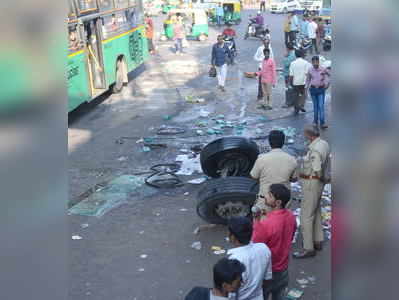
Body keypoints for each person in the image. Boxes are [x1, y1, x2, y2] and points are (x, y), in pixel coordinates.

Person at [252, 184, 297, 300]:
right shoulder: (291, 217)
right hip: (283, 267)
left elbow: (257, 246)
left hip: (268, 269)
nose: (265, 196)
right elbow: (290, 236)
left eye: (269, 195)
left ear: (277, 202)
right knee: (280, 295)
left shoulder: (266, 224)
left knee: (263, 295)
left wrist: (256, 221)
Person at [293, 125, 330, 259]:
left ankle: (308, 248)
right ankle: (318, 240)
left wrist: (319, 177)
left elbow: (317, 169)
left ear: (310, 135)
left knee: (306, 216)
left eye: (305, 134)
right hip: (318, 184)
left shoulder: (314, 150)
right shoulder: (324, 144)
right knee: (316, 210)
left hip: (311, 183)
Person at [250, 130, 298, 217]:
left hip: (265, 200)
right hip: (284, 201)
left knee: (265, 225)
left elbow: (253, 176)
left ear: (269, 142)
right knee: (282, 224)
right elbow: (294, 179)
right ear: (283, 142)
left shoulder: (261, 159)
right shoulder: (292, 160)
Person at [227, 217, 272, 300]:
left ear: (233, 237)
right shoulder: (264, 248)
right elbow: (267, 278)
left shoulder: (233, 260)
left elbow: (231, 292)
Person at [306, 56, 330, 129]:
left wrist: (327, 84)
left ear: (319, 62)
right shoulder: (310, 70)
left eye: (317, 62)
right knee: (315, 107)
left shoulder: (323, 69)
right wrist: (306, 89)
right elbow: (308, 80)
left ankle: (322, 122)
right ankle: (315, 122)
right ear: (312, 62)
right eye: (314, 62)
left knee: (321, 106)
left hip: (321, 89)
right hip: (313, 90)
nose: (315, 63)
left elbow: (329, 76)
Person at [289, 49, 312, 114]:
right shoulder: (306, 63)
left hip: (295, 82)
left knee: (295, 95)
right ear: (302, 55)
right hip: (303, 82)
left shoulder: (292, 63)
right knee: (303, 94)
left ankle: (296, 108)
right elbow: (307, 74)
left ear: (295, 55)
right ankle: (301, 105)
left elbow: (291, 75)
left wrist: (291, 83)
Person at [282, 43, 296, 108]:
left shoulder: (290, 55)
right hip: (292, 74)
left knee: (288, 88)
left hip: (288, 74)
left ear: (288, 48)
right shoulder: (294, 54)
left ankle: (288, 102)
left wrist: (285, 57)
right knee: (291, 88)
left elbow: (286, 64)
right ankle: (292, 101)